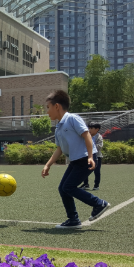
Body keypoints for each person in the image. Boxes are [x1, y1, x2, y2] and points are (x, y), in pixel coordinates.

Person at [41, 90, 110, 229]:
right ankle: (73, 220)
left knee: (68, 187)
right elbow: (59, 149)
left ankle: (99, 203)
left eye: (48, 107)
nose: (47, 112)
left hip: (85, 158)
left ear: (57, 106)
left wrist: (91, 156)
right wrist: (48, 165)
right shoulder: (58, 127)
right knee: (63, 188)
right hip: (75, 161)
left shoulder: (72, 118)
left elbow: (87, 136)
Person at [79, 123, 103, 190]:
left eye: (91, 128)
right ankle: (86, 184)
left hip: (97, 157)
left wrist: (90, 147)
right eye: (89, 128)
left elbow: (100, 146)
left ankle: (96, 185)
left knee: (97, 171)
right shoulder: (86, 136)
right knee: (85, 170)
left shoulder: (99, 137)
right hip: (86, 156)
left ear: (97, 129)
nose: (89, 130)